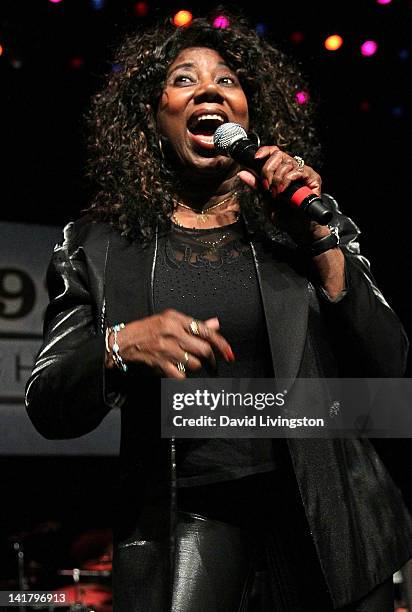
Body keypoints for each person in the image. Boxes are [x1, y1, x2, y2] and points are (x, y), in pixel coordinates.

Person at [25, 10, 412, 612]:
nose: (209, 88)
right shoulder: (97, 246)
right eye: (183, 80)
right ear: (152, 119)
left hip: (330, 516)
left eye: (227, 81)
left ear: (250, 115)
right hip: (190, 520)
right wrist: (118, 348)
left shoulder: (304, 224)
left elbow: (389, 372)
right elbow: (48, 403)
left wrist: (320, 241)